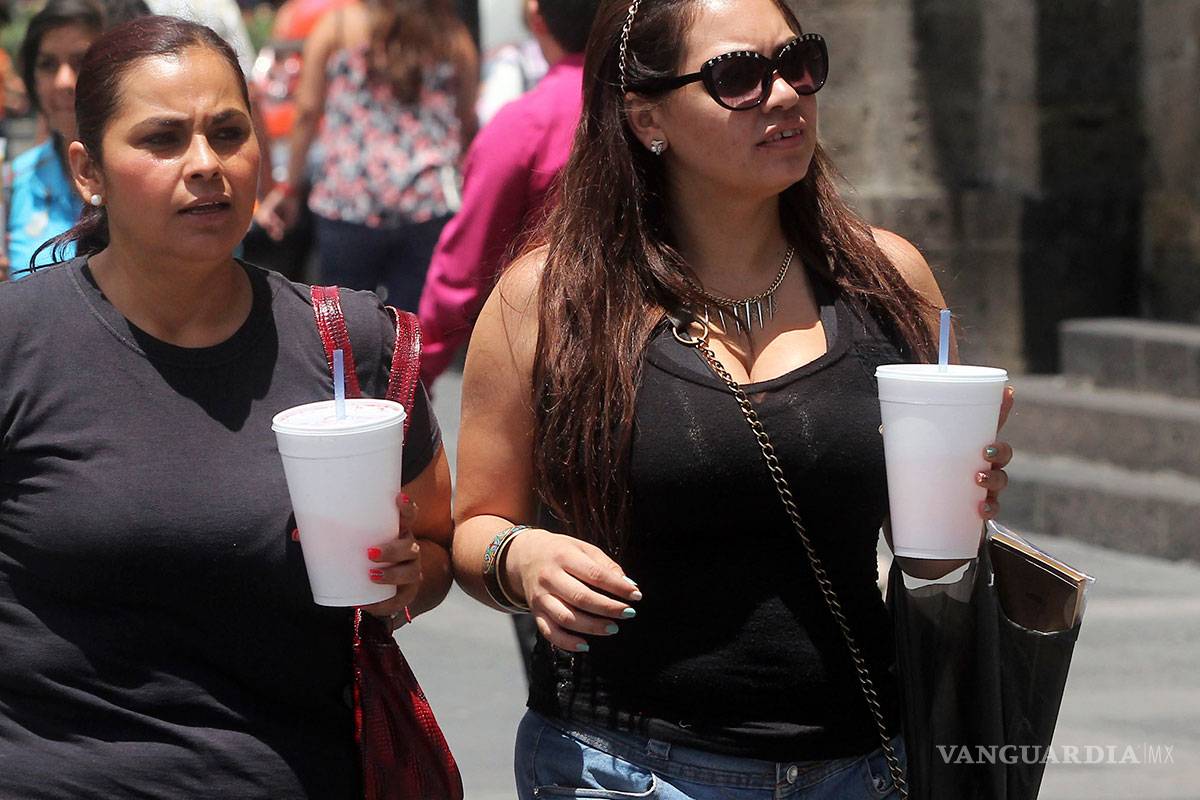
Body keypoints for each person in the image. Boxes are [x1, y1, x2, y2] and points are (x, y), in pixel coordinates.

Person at [450, 0, 1018, 797]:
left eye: (799, 62)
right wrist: (525, 557)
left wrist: (963, 500)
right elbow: (474, 527)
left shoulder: (886, 280)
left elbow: (927, 560)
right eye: (739, 77)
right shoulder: (547, 301)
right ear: (648, 117)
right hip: (629, 767)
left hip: (860, 763)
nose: (784, 93)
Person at [0, 16, 453, 798]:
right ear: (88, 172)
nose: (205, 164)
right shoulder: (17, 342)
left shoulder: (349, 342)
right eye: (163, 139)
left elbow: (439, 544)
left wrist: (405, 580)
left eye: (228, 132)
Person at [417, 0, 597, 387]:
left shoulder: (524, 124)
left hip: (555, 359)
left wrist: (419, 369)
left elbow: (462, 271)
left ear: (537, 20)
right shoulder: (655, 108)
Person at [257, 0, 479, 312]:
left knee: (342, 325)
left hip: (349, 201)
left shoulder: (335, 27)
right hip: (427, 202)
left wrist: (290, 189)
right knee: (411, 327)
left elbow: (306, 113)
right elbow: (467, 120)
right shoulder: (451, 34)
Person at [5, 0, 104, 279]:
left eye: (81, 61)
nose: (64, 81)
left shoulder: (144, 179)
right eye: (48, 65)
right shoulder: (13, 182)